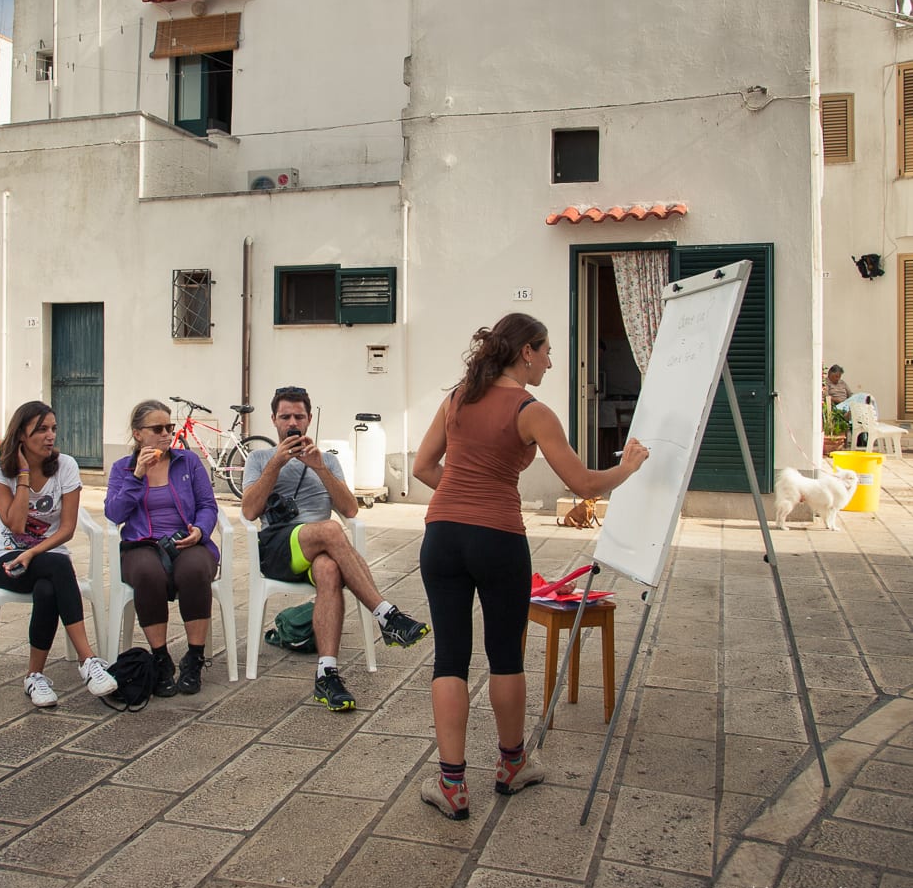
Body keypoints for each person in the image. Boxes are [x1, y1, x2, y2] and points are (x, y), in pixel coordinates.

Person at [412, 313, 648, 821]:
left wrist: (461, 499)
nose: (549, 360)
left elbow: (422, 468)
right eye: (545, 351)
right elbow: (584, 485)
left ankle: (451, 785)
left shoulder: (457, 397)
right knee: (504, 655)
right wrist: (627, 467)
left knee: (449, 658)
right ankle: (512, 766)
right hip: (498, 538)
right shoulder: (531, 410)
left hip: (442, 536)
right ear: (526, 353)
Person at [241, 386, 430, 712]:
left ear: (310, 419)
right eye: (285, 416)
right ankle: (387, 616)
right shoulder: (259, 458)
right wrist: (276, 463)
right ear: (273, 420)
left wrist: (320, 468)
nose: (292, 422)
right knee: (330, 528)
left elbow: (350, 510)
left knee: (329, 568)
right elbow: (248, 512)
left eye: (299, 416)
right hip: (278, 548)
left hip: (321, 552)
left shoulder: (326, 459)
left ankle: (327, 674)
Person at [0, 400, 118, 707]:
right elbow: (16, 525)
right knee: (57, 566)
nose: (50, 436)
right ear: (21, 435)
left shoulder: (66, 466)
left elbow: (67, 529)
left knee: (49, 584)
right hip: (7, 560)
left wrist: (33, 553)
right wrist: (21, 474)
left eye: (53, 429)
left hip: (46, 559)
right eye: (41, 430)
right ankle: (88, 661)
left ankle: (35, 676)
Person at [104, 400, 220, 696]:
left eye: (170, 427)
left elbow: (208, 505)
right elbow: (114, 513)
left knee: (194, 570)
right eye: (158, 429)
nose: (167, 434)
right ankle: (161, 658)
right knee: (147, 573)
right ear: (138, 434)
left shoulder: (188, 461)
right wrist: (137, 476)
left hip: (187, 539)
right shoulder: (123, 468)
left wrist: (200, 530)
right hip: (142, 544)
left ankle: (194, 657)